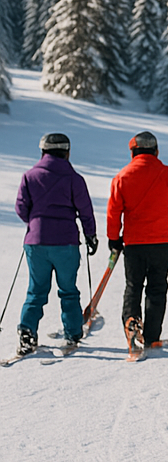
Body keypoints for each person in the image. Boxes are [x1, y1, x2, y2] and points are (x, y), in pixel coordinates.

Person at [107, 131, 168, 357]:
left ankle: (132, 323)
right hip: (161, 242)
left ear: (132, 151)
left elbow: (113, 213)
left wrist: (114, 239)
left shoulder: (122, 176)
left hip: (133, 243)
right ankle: (152, 337)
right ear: (156, 151)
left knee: (133, 287)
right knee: (157, 288)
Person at [14, 133, 98, 355]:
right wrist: (91, 235)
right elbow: (86, 211)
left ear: (42, 152)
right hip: (66, 242)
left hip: (36, 242)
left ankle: (27, 332)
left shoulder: (29, 176)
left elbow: (21, 208)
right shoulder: (74, 179)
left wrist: (36, 223)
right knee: (68, 289)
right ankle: (72, 332)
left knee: (36, 290)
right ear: (67, 152)